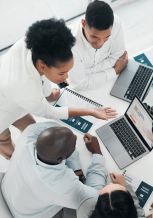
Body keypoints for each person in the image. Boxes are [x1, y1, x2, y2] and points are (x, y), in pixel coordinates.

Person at [0, 18, 116, 160]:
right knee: (4, 141)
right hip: (3, 111)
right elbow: (51, 112)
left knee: (30, 126)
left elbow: (41, 76)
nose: (66, 78)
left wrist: (48, 94)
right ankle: (16, 162)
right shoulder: (25, 88)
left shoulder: (34, 45)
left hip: (10, 93)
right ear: (43, 66)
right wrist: (91, 111)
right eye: (62, 73)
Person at [1, 122, 108, 218]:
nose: (76, 137)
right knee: (103, 201)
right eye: (73, 144)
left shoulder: (28, 136)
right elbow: (95, 199)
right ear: (60, 159)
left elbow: (52, 127)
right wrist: (97, 153)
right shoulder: (60, 185)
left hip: (8, 190)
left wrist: (77, 169)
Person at [68, 0, 128, 91]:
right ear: (83, 24)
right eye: (94, 37)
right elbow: (79, 85)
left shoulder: (115, 24)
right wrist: (113, 71)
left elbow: (119, 56)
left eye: (106, 37)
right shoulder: (69, 45)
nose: (100, 43)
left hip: (106, 83)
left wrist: (87, 73)